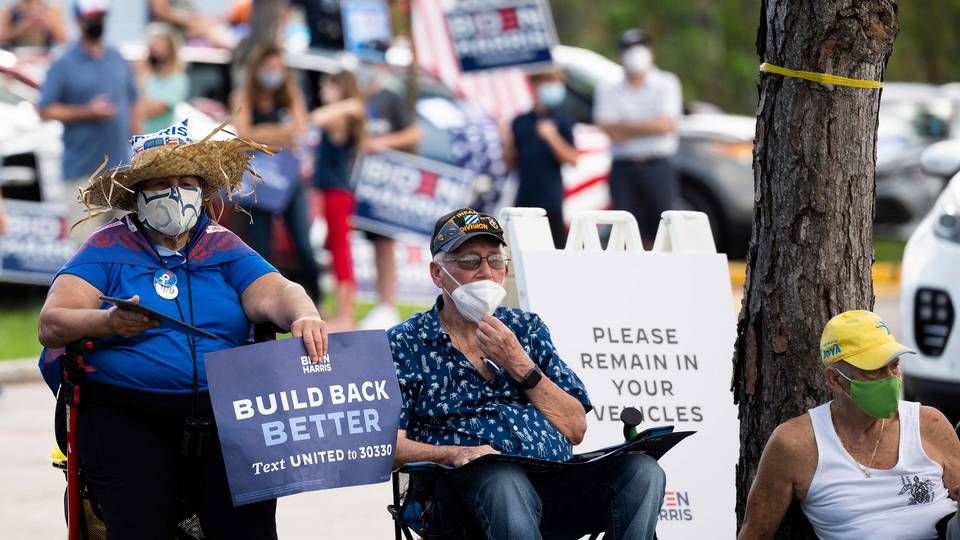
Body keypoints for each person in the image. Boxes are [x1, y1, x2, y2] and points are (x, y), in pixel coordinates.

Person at [37, 119, 328, 539]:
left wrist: (304, 316)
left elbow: (279, 292)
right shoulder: (106, 247)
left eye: (185, 181)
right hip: (126, 412)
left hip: (226, 411)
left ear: (201, 190)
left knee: (247, 528)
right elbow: (52, 322)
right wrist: (108, 322)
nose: (175, 193)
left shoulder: (222, 245)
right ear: (138, 196)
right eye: (161, 183)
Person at [388, 208, 666, 539]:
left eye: (495, 261)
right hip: (462, 499)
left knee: (642, 471)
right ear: (437, 273)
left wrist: (518, 362)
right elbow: (387, 447)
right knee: (504, 480)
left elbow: (575, 427)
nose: (485, 273)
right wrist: (455, 453)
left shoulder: (525, 328)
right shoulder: (405, 341)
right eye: (469, 261)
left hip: (554, 484)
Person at [738, 310, 960, 540]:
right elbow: (755, 534)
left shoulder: (928, 423)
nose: (890, 379)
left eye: (894, 365)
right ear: (835, 379)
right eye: (874, 371)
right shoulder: (797, 444)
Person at [37, 0, 140, 241]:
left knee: (130, 246)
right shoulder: (64, 63)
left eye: (101, 17)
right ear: (79, 21)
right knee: (86, 249)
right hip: (83, 173)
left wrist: (138, 145)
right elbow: (45, 109)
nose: (98, 22)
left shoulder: (117, 57)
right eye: (93, 17)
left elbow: (134, 102)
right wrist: (88, 111)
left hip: (121, 170)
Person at [231, 44, 322, 305]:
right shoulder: (243, 95)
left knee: (302, 243)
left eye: (277, 68)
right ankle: (263, 299)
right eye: (268, 68)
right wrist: (282, 133)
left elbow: (301, 129)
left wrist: (264, 134)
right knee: (260, 244)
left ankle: (315, 300)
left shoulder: (290, 93)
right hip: (257, 180)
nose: (273, 73)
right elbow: (244, 133)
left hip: (289, 178)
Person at [594, 28, 682, 248]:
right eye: (629, 49)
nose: (635, 54)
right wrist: (648, 125)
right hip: (623, 169)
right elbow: (606, 127)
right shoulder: (608, 87)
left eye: (640, 48)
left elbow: (666, 124)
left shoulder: (667, 83)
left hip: (657, 166)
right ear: (619, 55)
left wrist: (624, 127)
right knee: (625, 230)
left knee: (662, 229)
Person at [357, 64, 422, 330]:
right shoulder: (359, 98)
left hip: (389, 180)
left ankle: (387, 303)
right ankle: (380, 302)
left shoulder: (391, 98)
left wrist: (381, 143)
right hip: (366, 181)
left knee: (386, 243)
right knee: (374, 243)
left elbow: (414, 132)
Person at [310, 70, 365, 329]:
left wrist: (344, 102)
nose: (323, 91)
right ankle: (339, 311)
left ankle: (346, 315)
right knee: (334, 249)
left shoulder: (341, 118)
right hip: (329, 192)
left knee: (341, 251)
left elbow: (317, 117)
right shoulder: (345, 114)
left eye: (328, 86)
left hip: (338, 193)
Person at [504, 68, 578, 249]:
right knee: (521, 251)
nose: (554, 87)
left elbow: (573, 159)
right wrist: (507, 143)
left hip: (551, 200)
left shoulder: (562, 120)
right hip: (524, 199)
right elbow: (510, 163)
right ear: (535, 86)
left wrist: (553, 138)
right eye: (549, 82)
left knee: (555, 250)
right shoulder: (519, 121)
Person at [139, 23, 188, 133]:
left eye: (158, 45)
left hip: (159, 140)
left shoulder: (177, 79)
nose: (153, 50)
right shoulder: (148, 75)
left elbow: (152, 110)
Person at [0, 0, 66, 49]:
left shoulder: (51, 10)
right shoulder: (10, 10)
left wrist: (49, 25)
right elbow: (2, 37)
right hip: (17, 55)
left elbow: (63, 40)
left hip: (44, 56)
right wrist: (21, 29)